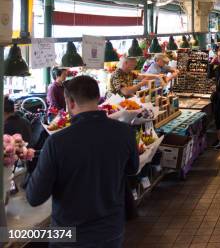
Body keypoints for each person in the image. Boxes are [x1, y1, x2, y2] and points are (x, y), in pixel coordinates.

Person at [27, 75, 138, 247]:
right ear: (97, 98)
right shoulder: (125, 132)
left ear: (70, 102)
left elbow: (35, 197)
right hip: (111, 231)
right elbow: (132, 169)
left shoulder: (57, 142)